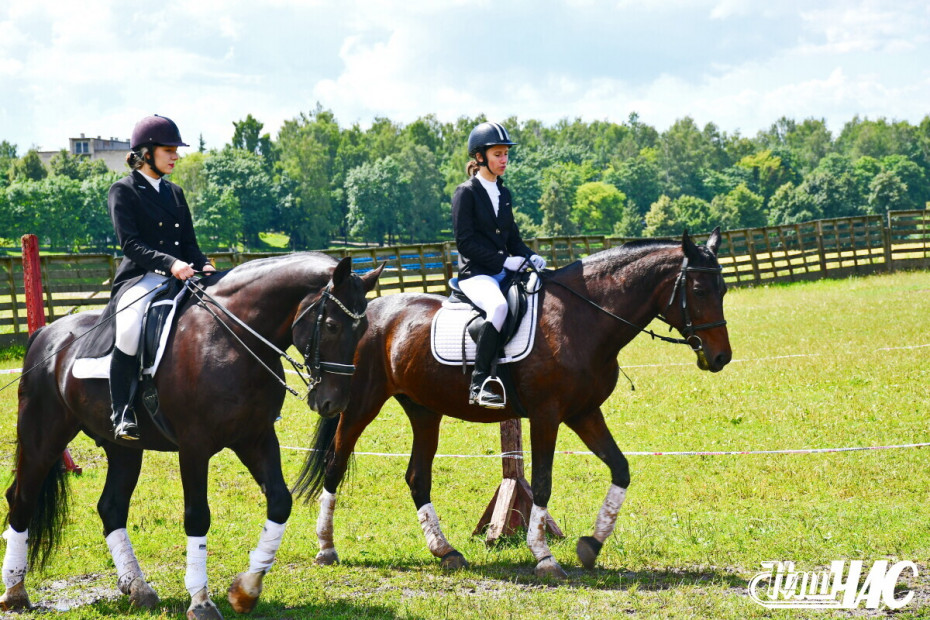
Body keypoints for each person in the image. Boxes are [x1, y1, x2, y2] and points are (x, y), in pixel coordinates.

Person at [107, 115, 215, 440]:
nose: (175, 156)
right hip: (141, 279)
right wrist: (170, 263)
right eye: (169, 150)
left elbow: (190, 245)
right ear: (146, 152)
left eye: (175, 150)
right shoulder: (123, 191)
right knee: (127, 329)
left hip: (181, 275)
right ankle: (122, 411)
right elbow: (131, 244)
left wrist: (205, 264)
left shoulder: (175, 193)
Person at [451, 121, 546, 408]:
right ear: (480, 157)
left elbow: (512, 238)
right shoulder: (466, 192)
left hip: (503, 272)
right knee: (499, 307)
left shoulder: (503, 193)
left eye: (506, 154)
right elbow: (465, 243)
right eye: (498, 154)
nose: (504, 160)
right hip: (476, 274)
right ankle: (479, 384)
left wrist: (530, 256)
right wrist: (504, 260)